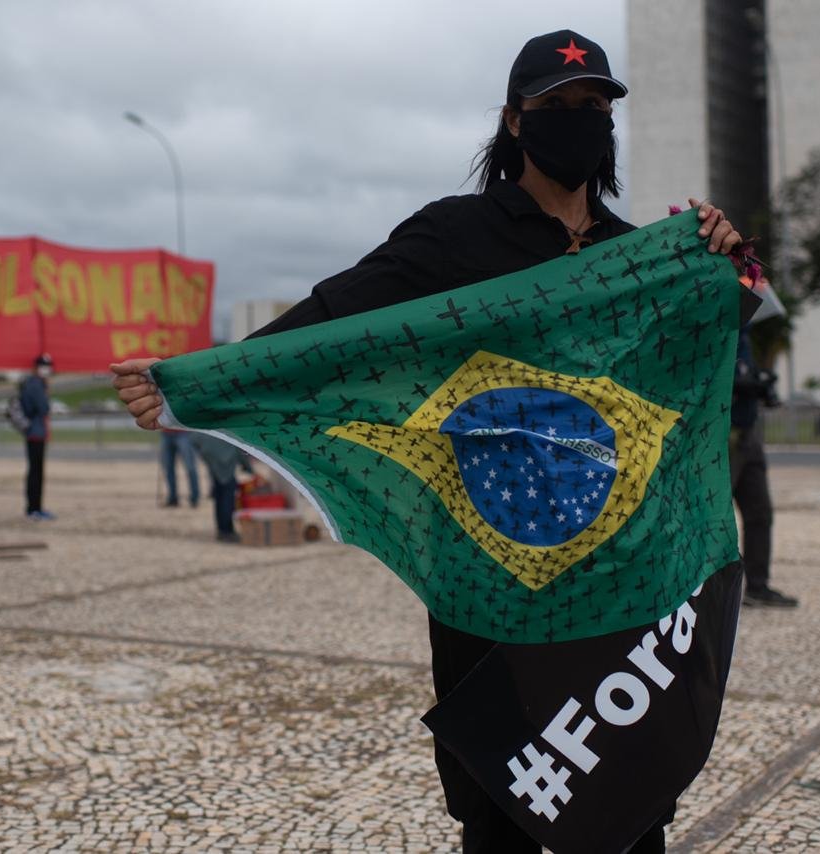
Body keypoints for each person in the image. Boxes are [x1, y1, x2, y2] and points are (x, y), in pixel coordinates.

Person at [111, 29, 742, 853]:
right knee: (504, 809)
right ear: (516, 121)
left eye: (596, 107)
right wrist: (195, 384)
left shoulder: (635, 259)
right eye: (560, 106)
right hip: (493, 584)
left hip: (617, 593)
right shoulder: (453, 237)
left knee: (628, 806)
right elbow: (335, 324)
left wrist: (722, 271)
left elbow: (697, 383)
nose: (582, 121)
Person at [731, 331, 798, 608]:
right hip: (724, 435)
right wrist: (739, 383)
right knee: (714, 517)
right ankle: (701, 594)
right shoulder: (715, 317)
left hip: (749, 433)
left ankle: (758, 586)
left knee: (760, 513)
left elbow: (748, 374)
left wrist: (762, 385)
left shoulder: (745, 332)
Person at [190, 433, 252, 542]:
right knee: (227, 500)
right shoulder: (231, 429)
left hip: (213, 461)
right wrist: (249, 469)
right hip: (226, 464)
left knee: (219, 498)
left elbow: (194, 439)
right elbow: (239, 450)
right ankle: (227, 531)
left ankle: (221, 530)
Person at [21, 353, 55, 520]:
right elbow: (43, 408)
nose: (46, 370)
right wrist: (46, 390)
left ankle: (35, 507)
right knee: (36, 472)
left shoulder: (34, 383)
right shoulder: (35, 384)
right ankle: (34, 508)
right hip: (35, 433)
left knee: (36, 471)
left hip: (37, 432)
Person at [160, 429, 201, 507]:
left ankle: (194, 497)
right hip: (166, 432)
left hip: (184, 432)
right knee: (168, 467)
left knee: (190, 467)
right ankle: (172, 497)